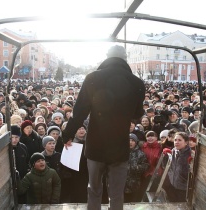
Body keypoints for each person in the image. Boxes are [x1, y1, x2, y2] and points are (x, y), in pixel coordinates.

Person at [62, 45, 145, 210]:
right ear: (125, 58)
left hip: (95, 146)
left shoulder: (93, 77)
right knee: (116, 193)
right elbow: (137, 113)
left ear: (107, 57)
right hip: (120, 147)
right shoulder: (137, 83)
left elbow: (79, 113)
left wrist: (68, 134)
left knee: (93, 189)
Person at [163, 132, 191, 202]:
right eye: (175, 140)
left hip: (183, 189)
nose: (177, 142)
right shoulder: (173, 151)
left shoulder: (190, 154)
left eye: (180, 140)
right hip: (172, 185)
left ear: (186, 142)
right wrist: (165, 157)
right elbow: (165, 167)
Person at [124, 133, 149, 202]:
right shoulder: (120, 153)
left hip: (134, 184)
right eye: (128, 140)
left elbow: (145, 166)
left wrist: (136, 167)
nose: (130, 142)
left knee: (133, 203)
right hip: (121, 184)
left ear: (136, 142)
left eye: (132, 140)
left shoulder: (140, 154)